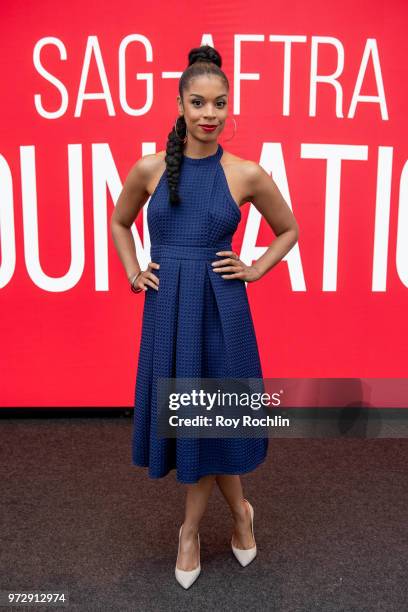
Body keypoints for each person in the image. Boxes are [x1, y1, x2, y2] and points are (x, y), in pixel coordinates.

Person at [110, 45, 299, 589]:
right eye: (198, 102)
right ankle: (241, 515)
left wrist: (257, 267)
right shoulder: (149, 168)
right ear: (179, 104)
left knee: (210, 420)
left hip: (223, 312)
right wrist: (133, 271)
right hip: (170, 313)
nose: (209, 114)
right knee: (205, 423)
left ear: (228, 106)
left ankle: (188, 531)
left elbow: (288, 229)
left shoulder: (246, 173)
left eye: (219, 103)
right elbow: (120, 223)